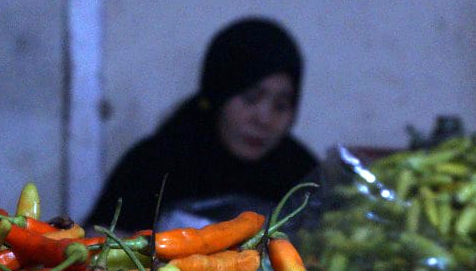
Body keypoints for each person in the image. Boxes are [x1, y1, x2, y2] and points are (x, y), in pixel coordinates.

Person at [86, 17, 318, 232]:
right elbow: (95, 243)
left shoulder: (301, 176)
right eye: (250, 98)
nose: (264, 119)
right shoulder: (156, 163)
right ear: (218, 93)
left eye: (281, 105)